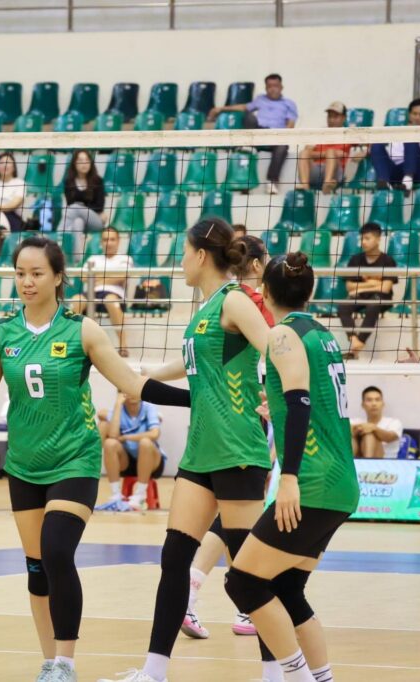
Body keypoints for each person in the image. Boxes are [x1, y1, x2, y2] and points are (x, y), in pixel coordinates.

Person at [0, 236, 191, 682]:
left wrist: (197, 397)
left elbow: (133, 384)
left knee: (57, 552)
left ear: (58, 277)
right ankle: (50, 663)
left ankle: (65, 661)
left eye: (36, 273)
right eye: (20, 274)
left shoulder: (82, 330)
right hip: (25, 465)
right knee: (37, 570)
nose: (26, 282)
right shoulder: (1, 332)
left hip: (75, 460)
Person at [106, 218, 274, 682]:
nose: (179, 261)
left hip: (237, 447)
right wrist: (141, 375)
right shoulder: (205, 310)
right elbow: (191, 362)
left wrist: (276, 399)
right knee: (174, 558)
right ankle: (153, 671)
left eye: (183, 252)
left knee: (249, 572)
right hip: (201, 451)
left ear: (201, 255)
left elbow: (276, 349)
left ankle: (275, 672)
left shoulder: (235, 300)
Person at [224, 252, 359, 682]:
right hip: (340, 482)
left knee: (242, 583)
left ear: (263, 292)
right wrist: (278, 409)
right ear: (310, 291)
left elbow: (300, 403)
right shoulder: (323, 334)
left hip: (313, 481)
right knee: (285, 588)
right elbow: (306, 400)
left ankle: (296, 677)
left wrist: (288, 478)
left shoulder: (283, 334)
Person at [182, 233, 273, 641]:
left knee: (233, 516)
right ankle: (234, 600)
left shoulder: (226, 303)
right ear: (255, 265)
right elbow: (277, 352)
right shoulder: (244, 301)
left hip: (234, 420)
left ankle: (218, 595)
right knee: (243, 521)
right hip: (242, 423)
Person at [208, 74, 298, 195]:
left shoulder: (289, 103)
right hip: (258, 133)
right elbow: (244, 107)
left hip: (275, 135)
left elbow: (290, 125)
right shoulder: (260, 99)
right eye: (269, 86)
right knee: (248, 115)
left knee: (282, 147)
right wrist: (221, 109)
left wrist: (281, 136)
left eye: (275, 86)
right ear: (266, 88)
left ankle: (272, 181)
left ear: (281, 87)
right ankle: (243, 178)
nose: (272, 89)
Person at [95, 393, 166, 512]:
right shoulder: (118, 410)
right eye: (128, 390)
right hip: (128, 462)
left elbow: (155, 434)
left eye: (134, 390)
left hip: (152, 463)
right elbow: (113, 435)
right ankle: (116, 495)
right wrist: (118, 405)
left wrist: (127, 437)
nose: (132, 393)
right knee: (110, 443)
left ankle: (140, 495)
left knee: (145, 442)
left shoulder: (148, 407)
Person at [337, 222, 398, 359]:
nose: (363, 242)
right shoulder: (355, 260)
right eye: (362, 238)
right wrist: (374, 283)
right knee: (343, 306)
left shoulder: (388, 261)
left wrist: (361, 286)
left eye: (367, 238)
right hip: (361, 296)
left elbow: (385, 288)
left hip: (382, 298)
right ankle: (354, 341)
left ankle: (358, 344)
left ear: (378, 239)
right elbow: (349, 286)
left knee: (373, 305)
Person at [71, 226, 132, 356]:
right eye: (105, 240)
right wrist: (109, 277)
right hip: (92, 294)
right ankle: (72, 342)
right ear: (101, 242)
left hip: (113, 294)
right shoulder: (93, 259)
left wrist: (95, 277)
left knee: (111, 301)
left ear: (118, 241)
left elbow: (122, 276)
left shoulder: (125, 259)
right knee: (76, 300)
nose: (108, 243)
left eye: (112, 239)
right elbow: (83, 277)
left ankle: (123, 345)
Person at [369, 98, 420, 191]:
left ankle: (408, 180)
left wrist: (411, 153)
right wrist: (415, 153)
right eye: (414, 113)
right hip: (398, 170)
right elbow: (392, 154)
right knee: (376, 146)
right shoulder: (399, 130)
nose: (417, 117)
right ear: (409, 114)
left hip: (419, 172)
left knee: (410, 139)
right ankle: (384, 182)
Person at [296, 102, 358, 194]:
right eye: (329, 116)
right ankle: (305, 187)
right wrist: (327, 154)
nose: (331, 120)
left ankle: (327, 184)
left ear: (344, 118)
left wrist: (362, 153)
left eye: (335, 117)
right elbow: (307, 152)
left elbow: (367, 144)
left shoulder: (349, 133)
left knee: (330, 152)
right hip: (316, 170)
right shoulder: (320, 133)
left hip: (336, 173)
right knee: (303, 153)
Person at [58, 149, 106, 235]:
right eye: (80, 160)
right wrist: (81, 207)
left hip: (95, 221)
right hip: (77, 218)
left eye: (87, 160)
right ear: (74, 164)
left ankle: (59, 234)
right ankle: (76, 244)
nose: (84, 163)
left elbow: (99, 206)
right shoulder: (69, 182)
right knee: (78, 222)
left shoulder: (98, 181)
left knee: (75, 207)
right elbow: (70, 203)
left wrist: (80, 207)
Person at [349, 386, 403, 459]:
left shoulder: (394, 422)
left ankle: (367, 464)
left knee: (369, 435)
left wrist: (374, 428)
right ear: (363, 405)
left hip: (386, 462)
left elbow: (390, 437)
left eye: (377, 400)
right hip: (357, 457)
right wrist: (357, 429)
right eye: (369, 400)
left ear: (383, 403)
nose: (374, 404)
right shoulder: (355, 421)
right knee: (350, 435)